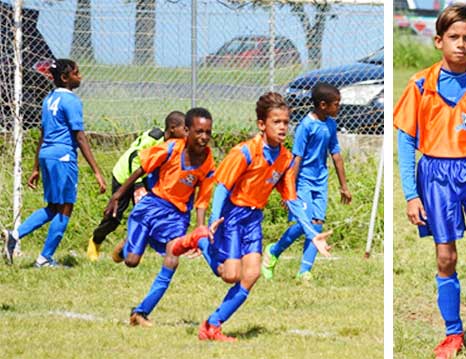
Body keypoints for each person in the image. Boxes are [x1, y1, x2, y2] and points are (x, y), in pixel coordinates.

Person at [393, 3, 466, 357]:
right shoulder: (420, 85)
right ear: (438, 41)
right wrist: (411, 195)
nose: (461, 44)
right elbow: (405, 141)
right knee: (445, 257)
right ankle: (452, 333)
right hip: (435, 174)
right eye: (454, 37)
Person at [170, 92, 332, 342]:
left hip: (254, 219)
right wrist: (213, 219)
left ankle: (212, 326)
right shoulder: (245, 151)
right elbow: (223, 186)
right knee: (231, 275)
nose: (282, 127)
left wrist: (313, 234)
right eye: (276, 122)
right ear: (261, 125)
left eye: (286, 122)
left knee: (252, 274)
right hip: (232, 217)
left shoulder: (285, 159)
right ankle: (199, 240)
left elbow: (292, 200)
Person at [106, 108, 215, 326]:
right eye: (199, 131)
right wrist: (118, 194)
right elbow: (141, 169)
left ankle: (141, 313)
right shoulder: (171, 148)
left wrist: (199, 230)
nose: (203, 137)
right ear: (186, 131)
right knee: (131, 261)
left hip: (176, 216)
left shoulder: (208, 163)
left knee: (172, 260)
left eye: (208, 132)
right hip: (151, 207)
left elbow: (202, 199)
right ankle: (127, 246)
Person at [1, 58, 107, 267]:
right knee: (66, 207)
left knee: (52, 207)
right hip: (63, 157)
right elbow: (79, 137)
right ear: (65, 78)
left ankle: (14, 234)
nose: (80, 77)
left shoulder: (48, 99)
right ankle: (44, 259)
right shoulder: (72, 101)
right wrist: (96, 171)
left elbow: (42, 134)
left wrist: (35, 168)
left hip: (47, 155)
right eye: (77, 73)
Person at [262, 82, 351, 281]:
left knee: (317, 224)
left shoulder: (330, 124)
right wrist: (289, 190)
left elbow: (335, 155)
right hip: (302, 181)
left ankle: (304, 272)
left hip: (321, 182)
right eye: (336, 104)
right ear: (322, 105)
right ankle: (274, 251)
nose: (339, 108)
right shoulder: (306, 126)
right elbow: (297, 159)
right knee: (304, 224)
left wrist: (343, 186)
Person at [86, 111, 188, 261]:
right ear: (172, 128)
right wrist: (138, 185)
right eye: (184, 129)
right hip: (125, 176)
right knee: (114, 217)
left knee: (146, 216)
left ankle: (126, 248)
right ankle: (95, 241)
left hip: (147, 180)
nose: (187, 133)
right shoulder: (154, 137)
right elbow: (135, 158)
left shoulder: (177, 145)